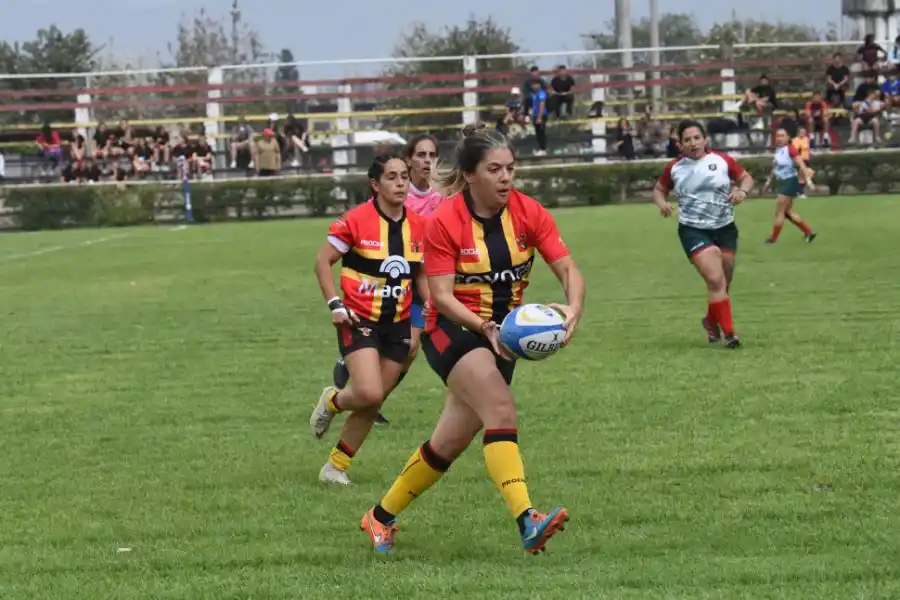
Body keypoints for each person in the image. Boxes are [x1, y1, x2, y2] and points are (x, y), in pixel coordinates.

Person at [359, 124, 586, 555]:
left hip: (504, 337)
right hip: (454, 329)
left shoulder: (529, 212)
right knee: (500, 408)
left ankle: (380, 517)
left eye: (511, 169)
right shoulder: (445, 220)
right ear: (470, 175)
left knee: (448, 443)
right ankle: (527, 520)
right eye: (495, 169)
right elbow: (440, 297)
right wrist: (485, 328)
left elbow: (570, 269)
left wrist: (573, 309)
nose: (506, 178)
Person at [309, 154, 429, 485]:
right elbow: (323, 262)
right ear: (375, 185)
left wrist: (431, 306)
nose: (401, 182)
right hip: (358, 319)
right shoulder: (355, 221)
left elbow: (420, 274)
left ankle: (335, 468)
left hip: (399, 324)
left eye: (404, 176)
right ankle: (333, 400)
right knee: (370, 393)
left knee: (373, 401)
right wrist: (335, 303)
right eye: (392, 177)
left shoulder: (418, 226)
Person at [331, 134, 445, 427]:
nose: (427, 160)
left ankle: (372, 395)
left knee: (409, 349)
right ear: (410, 158)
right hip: (382, 288)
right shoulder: (388, 201)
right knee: (397, 355)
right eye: (421, 154)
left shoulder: (438, 199)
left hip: (416, 283)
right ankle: (366, 392)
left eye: (432, 155)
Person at [653, 119, 754, 348]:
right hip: (693, 229)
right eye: (687, 139)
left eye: (697, 138)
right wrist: (662, 204)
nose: (693, 143)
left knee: (724, 283)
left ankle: (710, 321)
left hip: (725, 227)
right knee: (715, 279)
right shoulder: (674, 168)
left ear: (705, 139)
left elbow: (746, 177)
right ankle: (730, 334)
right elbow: (659, 190)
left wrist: (742, 190)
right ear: (679, 144)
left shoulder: (722, 161)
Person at [761, 128, 817, 245]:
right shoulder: (779, 150)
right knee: (788, 212)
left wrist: (809, 181)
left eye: (782, 136)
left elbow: (802, 165)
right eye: (777, 136)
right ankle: (809, 232)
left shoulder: (791, 149)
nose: (779, 138)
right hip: (782, 183)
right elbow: (775, 168)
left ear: (788, 138)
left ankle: (773, 239)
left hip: (790, 182)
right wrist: (768, 183)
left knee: (780, 211)